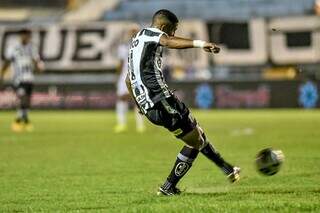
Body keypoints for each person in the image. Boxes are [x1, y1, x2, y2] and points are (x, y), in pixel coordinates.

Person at [126, 9, 240, 196]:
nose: (173, 34)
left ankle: (228, 169)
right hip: (161, 101)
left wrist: (140, 105)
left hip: (152, 106)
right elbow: (168, 41)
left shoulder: (137, 42)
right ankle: (168, 187)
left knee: (197, 133)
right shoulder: (154, 34)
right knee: (195, 141)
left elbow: (128, 80)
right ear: (163, 26)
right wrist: (200, 43)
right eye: (173, 29)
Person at [0, 29, 44, 132]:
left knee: (27, 100)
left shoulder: (32, 48)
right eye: (25, 35)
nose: (26, 37)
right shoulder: (13, 48)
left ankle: (26, 120)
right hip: (18, 78)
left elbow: (37, 63)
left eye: (28, 36)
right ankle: (18, 120)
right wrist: (2, 74)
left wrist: (39, 67)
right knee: (23, 98)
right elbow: (7, 61)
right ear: (21, 36)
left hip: (29, 78)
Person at [114, 27, 145, 133]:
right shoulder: (124, 47)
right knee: (122, 99)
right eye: (131, 31)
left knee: (137, 101)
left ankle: (140, 125)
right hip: (125, 75)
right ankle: (122, 124)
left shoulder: (142, 46)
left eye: (134, 31)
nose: (133, 33)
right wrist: (118, 75)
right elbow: (121, 63)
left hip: (137, 76)